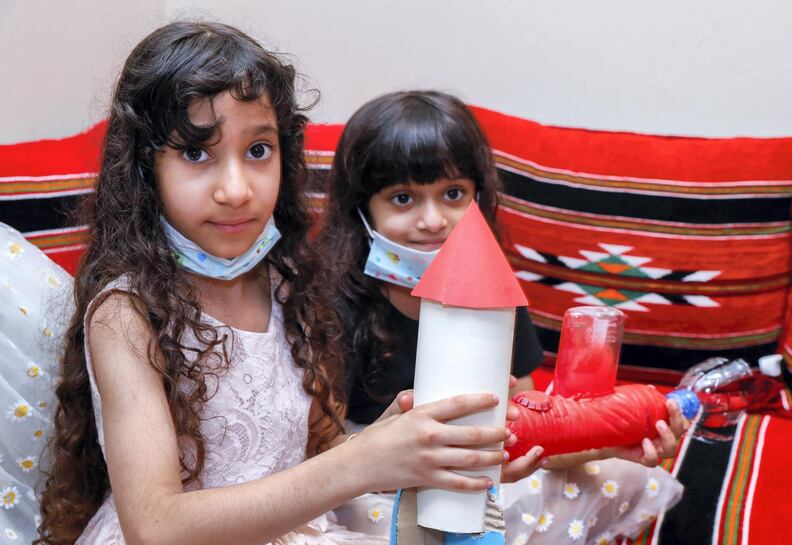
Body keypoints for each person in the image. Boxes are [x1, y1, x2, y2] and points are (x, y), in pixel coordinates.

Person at [0, 23, 521, 545]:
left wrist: (397, 445)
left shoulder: (286, 283)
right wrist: (361, 463)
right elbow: (155, 526)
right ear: (144, 170)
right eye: (197, 153)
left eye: (258, 151)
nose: (236, 190)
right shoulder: (126, 314)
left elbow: (319, 454)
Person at [316, 90, 688, 545]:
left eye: (452, 194)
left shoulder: (495, 292)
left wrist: (614, 441)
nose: (433, 220)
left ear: (480, 196)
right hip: (375, 479)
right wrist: (414, 471)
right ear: (361, 209)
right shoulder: (331, 304)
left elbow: (527, 427)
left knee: (613, 476)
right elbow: (325, 453)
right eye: (402, 199)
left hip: (480, 473)